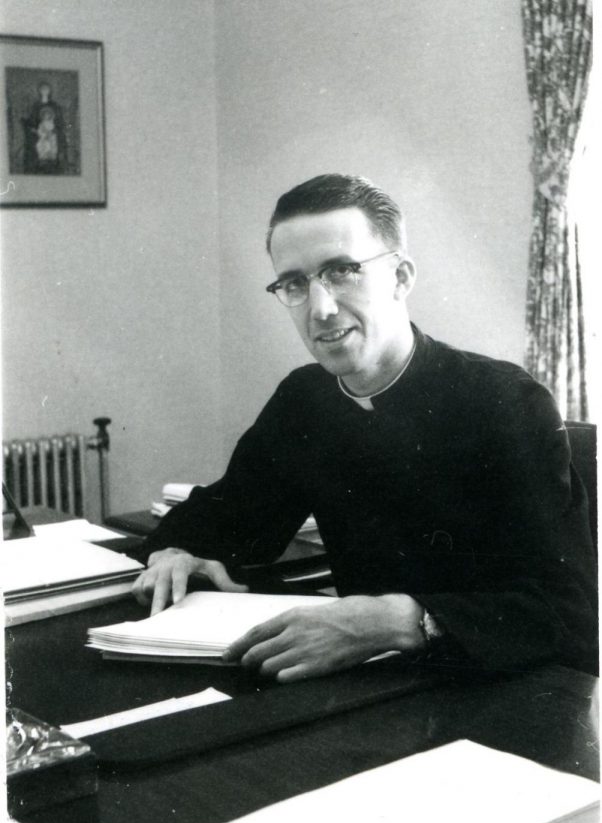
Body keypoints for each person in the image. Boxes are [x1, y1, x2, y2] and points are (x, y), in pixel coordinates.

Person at [132, 174, 597, 682]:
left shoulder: (506, 401)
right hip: (372, 689)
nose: (321, 309)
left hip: (502, 695)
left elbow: (569, 614)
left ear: (400, 277)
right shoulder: (306, 399)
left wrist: (404, 619)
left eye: (342, 271)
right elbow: (232, 518)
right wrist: (176, 552)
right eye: (294, 283)